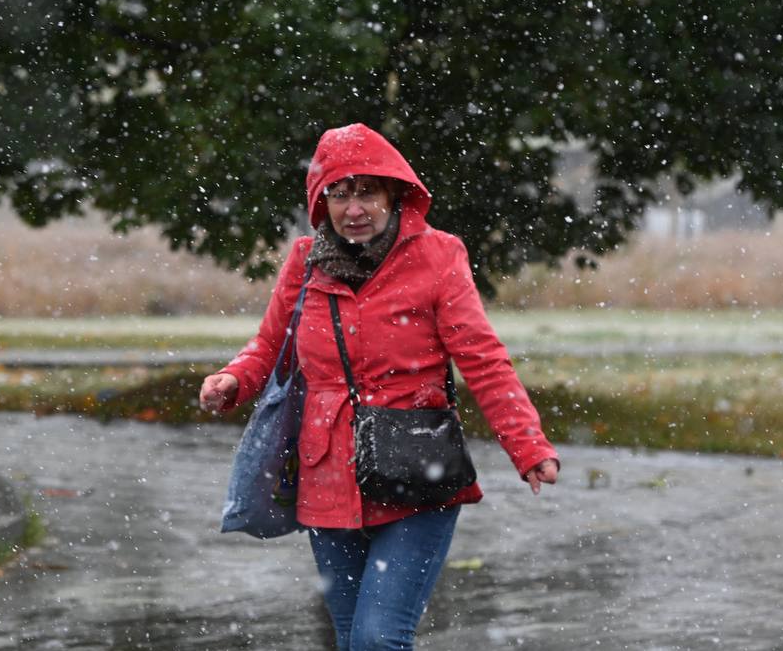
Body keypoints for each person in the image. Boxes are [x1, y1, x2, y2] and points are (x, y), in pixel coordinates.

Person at [199, 123, 559, 651]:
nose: (354, 208)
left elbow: (483, 360)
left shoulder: (438, 256)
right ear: (322, 202)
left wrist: (527, 446)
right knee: (350, 640)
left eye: (366, 191)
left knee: (377, 639)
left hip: (416, 469)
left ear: (394, 192)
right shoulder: (305, 262)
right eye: (339, 194)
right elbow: (270, 346)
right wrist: (232, 379)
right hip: (326, 476)